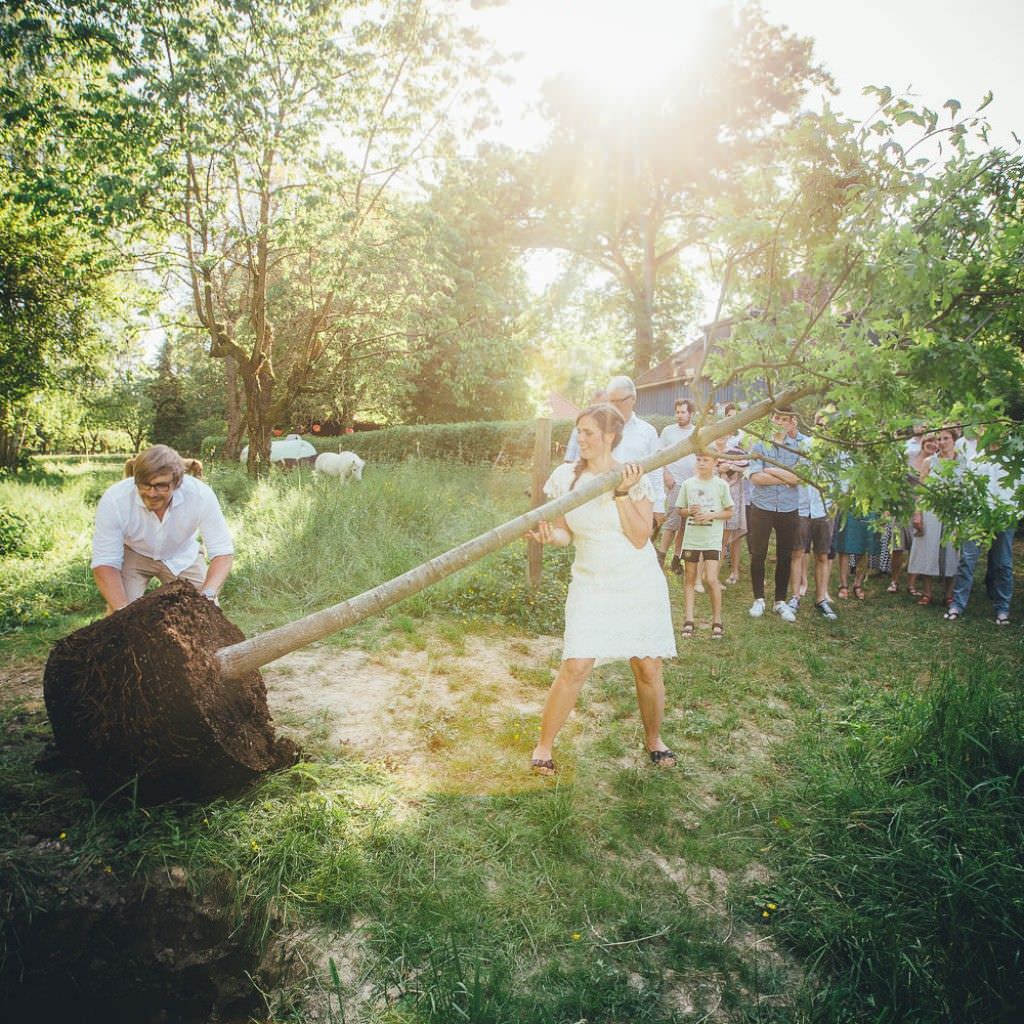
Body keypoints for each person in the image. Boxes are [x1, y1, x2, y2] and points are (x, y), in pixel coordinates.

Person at [527, 404, 677, 775]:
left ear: (610, 436)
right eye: (579, 432)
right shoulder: (566, 477)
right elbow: (564, 532)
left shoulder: (631, 475)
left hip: (636, 581)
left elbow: (641, 537)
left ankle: (654, 739)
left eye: (588, 432)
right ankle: (543, 746)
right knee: (576, 664)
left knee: (647, 666)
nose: (581, 439)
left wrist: (622, 494)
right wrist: (551, 537)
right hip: (592, 581)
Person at [91, 444, 234, 614]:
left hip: (182, 555)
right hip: (135, 553)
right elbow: (105, 561)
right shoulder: (115, 500)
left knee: (207, 613)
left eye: (161, 486)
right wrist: (122, 613)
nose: (152, 493)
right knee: (118, 617)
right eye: (145, 485)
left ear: (177, 482)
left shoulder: (200, 495)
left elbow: (222, 552)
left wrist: (208, 595)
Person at [946, 444, 1017, 625]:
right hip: (976, 515)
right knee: (967, 560)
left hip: (1004, 515)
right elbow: (964, 484)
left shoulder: (1014, 456)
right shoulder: (974, 454)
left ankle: (1002, 608)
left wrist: (1015, 513)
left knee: (1002, 563)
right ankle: (957, 605)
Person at [745, 408, 802, 622]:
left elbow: (797, 478)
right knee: (758, 553)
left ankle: (780, 601)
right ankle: (758, 599)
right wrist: (784, 476)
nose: (779, 422)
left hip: (788, 508)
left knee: (785, 555)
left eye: (783, 419)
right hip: (762, 506)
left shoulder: (797, 448)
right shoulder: (759, 445)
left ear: (790, 423)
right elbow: (756, 478)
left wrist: (769, 470)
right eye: (776, 418)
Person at [676, 452, 733, 638]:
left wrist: (711, 515)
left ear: (715, 462)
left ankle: (717, 620)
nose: (701, 463)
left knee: (711, 578)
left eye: (705, 460)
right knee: (690, 577)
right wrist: (690, 511)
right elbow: (680, 510)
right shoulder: (688, 484)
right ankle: (689, 620)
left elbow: (729, 512)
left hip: (712, 538)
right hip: (692, 538)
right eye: (698, 459)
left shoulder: (721, 485)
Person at [907, 427, 960, 606]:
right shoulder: (929, 462)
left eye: (946, 438)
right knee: (928, 549)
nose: (942, 442)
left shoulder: (962, 462)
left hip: (953, 512)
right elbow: (921, 490)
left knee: (952, 551)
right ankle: (927, 593)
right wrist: (918, 514)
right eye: (939, 439)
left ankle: (949, 594)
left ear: (954, 440)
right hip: (931, 511)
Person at [656, 398, 697, 574]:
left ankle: (676, 560)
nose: (679, 415)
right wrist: (666, 473)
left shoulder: (697, 432)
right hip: (675, 483)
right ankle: (661, 557)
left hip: (693, 484)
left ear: (691, 414)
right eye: (677, 412)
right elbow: (660, 454)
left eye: (683, 412)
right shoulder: (668, 431)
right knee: (672, 522)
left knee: (685, 526)